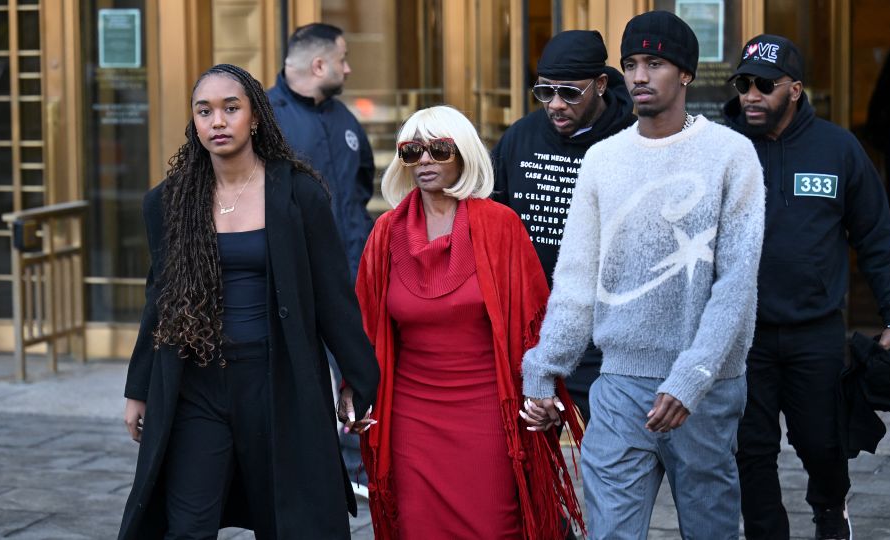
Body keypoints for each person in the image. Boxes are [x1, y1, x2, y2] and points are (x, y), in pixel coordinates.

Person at [520, 11, 765, 539]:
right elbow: (578, 278)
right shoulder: (604, 160)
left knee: (710, 531)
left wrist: (692, 378)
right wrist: (545, 366)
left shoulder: (731, 155)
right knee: (609, 532)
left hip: (707, 388)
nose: (639, 76)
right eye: (631, 63)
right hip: (619, 384)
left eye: (655, 63)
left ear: (686, 75)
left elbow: (737, 284)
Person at [118, 64, 379, 540]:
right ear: (194, 123)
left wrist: (355, 379)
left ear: (255, 117)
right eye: (205, 111)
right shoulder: (170, 201)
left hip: (278, 381)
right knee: (187, 526)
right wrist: (139, 388)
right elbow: (158, 298)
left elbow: (332, 295)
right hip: (198, 383)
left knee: (288, 523)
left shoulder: (299, 194)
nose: (217, 121)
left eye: (230, 108)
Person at [355, 105, 584, 539]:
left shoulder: (500, 226)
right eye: (412, 151)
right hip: (411, 417)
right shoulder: (385, 233)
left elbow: (537, 324)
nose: (425, 160)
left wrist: (543, 393)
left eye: (439, 149)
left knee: (495, 527)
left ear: (463, 155)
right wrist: (355, 393)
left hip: (488, 414)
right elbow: (367, 330)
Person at [722, 34, 890, 540]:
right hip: (745, 332)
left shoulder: (838, 148)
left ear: (795, 89)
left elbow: (875, 237)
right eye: (744, 84)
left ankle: (831, 514)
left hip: (816, 332)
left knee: (824, 444)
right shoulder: (725, 149)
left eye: (764, 85)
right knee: (751, 448)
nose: (751, 95)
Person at [491, 30, 636, 422]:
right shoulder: (521, 137)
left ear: (601, 84)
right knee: (527, 463)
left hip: (605, 339)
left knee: (609, 466)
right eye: (544, 92)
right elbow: (491, 220)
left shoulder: (632, 143)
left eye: (570, 93)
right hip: (532, 329)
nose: (555, 105)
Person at [266, 22, 375, 484]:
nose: (347, 68)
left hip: (350, 272)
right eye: (343, 59)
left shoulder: (345, 119)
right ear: (318, 64)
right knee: (295, 380)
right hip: (291, 277)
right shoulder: (265, 118)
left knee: (358, 368)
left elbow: (361, 183)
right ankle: (301, 472)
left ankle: (359, 468)